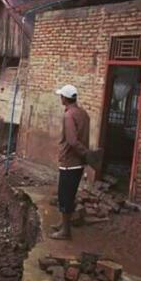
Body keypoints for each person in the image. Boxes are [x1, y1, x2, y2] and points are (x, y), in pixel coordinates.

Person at [49, 84, 90, 240]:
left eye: (61, 96)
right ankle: (63, 223)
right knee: (70, 194)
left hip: (70, 162)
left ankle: (65, 232)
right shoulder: (83, 113)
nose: (60, 98)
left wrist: (85, 153)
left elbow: (72, 141)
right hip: (79, 162)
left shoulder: (68, 115)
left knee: (64, 195)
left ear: (65, 98)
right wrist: (86, 156)